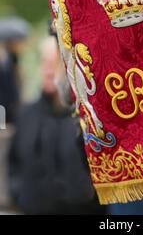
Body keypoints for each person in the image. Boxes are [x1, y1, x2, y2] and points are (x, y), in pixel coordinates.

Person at [8, 36, 106, 215]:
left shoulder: (90, 115)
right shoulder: (25, 114)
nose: (48, 71)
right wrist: (20, 195)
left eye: (55, 64)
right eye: (44, 63)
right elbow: (14, 164)